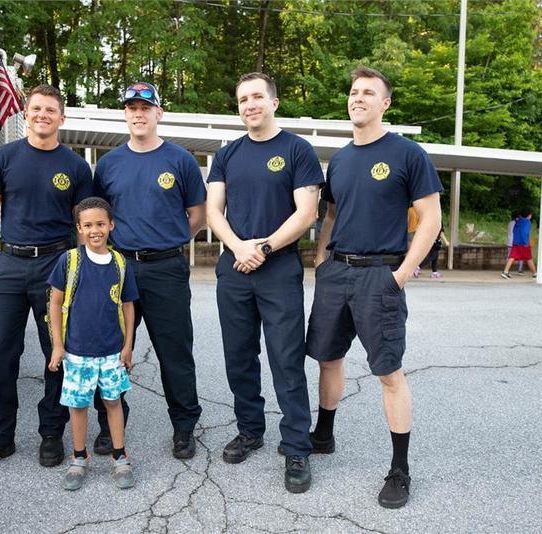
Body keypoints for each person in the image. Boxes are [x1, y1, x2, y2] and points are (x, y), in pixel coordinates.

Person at [305, 66, 443, 509]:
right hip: (336, 272)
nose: (357, 98)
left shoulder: (407, 154)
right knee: (327, 357)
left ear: (385, 103)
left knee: (388, 372)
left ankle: (399, 469)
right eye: (353, 91)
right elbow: (329, 215)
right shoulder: (341, 159)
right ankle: (323, 434)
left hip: (380, 275)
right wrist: (323, 258)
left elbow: (431, 219)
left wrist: (401, 273)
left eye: (368, 92)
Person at [0, 85, 93, 475]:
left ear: (61, 118)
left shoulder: (76, 167)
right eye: (36, 108)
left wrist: (88, 272)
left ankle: (52, 432)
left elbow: (84, 227)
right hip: (8, 266)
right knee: (0, 355)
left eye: (50, 110)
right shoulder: (3, 158)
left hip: (56, 264)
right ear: (26, 113)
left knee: (58, 354)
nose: (42, 115)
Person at [206, 72, 323, 493]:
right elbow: (213, 210)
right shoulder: (227, 154)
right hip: (234, 269)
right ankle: (250, 430)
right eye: (242, 99)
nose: (250, 104)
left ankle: (296, 447)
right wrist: (239, 247)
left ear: (274, 102)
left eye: (257, 97)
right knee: (239, 357)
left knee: (286, 360)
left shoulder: (297, 150)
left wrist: (264, 248)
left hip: (278, 269)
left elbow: (306, 212)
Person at [93, 81, 205, 459]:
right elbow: (98, 217)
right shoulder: (108, 164)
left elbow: (197, 215)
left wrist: (168, 241)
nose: (138, 114)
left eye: (145, 107)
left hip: (166, 269)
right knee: (109, 350)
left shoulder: (181, 160)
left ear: (159, 113)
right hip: (120, 268)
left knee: (174, 351)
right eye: (131, 108)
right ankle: (110, 424)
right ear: (125, 114)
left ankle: (184, 426)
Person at [47, 197, 139, 490]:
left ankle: (119, 456)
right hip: (77, 353)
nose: (95, 230)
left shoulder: (121, 263)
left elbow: (127, 306)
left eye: (100, 224)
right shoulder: (70, 261)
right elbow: (55, 302)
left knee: (113, 402)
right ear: (79, 228)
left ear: (111, 225)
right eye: (88, 225)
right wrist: (58, 346)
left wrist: (128, 346)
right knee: (78, 406)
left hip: (112, 351)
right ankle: (79, 457)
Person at [501, 211, 537, 279]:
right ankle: (535, 273)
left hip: (515, 242)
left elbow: (514, 231)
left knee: (512, 257)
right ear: (529, 215)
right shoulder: (527, 222)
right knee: (529, 258)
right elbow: (525, 232)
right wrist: (526, 242)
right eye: (531, 215)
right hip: (523, 243)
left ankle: (505, 272)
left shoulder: (517, 221)